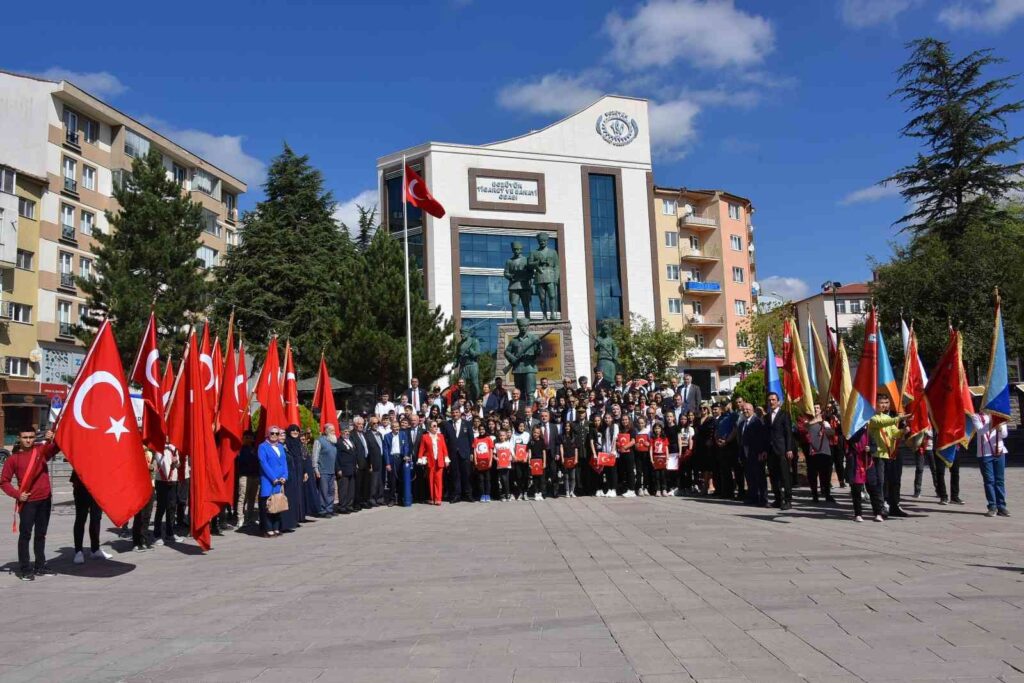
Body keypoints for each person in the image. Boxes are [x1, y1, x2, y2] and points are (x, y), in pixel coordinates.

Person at [0, 429, 58, 580]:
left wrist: (53, 437)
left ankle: (40, 565)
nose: (28, 440)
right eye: (25, 437)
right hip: (28, 503)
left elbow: (57, 446)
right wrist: (18, 494)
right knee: (25, 535)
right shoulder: (13, 459)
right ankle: (25, 569)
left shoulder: (41, 451)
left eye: (31, 437)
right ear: (19, 438)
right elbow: (4, 481)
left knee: (41, 534)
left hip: (45, 499)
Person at [867, 394, 908, 517]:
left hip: (888, 455)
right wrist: (899, 418)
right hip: (877, 455)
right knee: (880, 482)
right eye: (881, 402)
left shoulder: (887, 417)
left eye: (886, 402)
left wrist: (902, 431)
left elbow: (894, 434)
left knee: (891, 481)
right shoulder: (872, 418)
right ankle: (880, 506)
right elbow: (881, 423)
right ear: (875, 404)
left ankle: (890, 504)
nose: (884, 405)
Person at [70, 468, 112, 564]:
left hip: (97, 485)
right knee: (81, 518)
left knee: (96, 518)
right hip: (81, 485)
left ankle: (95, 549)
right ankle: (78, 551)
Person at [973, 411, 1009, 517]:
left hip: (999, 451)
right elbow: (980, 431)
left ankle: (1001, 506)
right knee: (989, 480)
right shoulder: (976, 416)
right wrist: (992, 423)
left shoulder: (1000, 415)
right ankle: (992, 506)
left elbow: (1005, 435)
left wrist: (1000, 428)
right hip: (985, 453)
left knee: (999, 480)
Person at [847, 426, 884, 522]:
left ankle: (878, 513)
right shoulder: (851, 432)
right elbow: (852, 439)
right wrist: (861, 429)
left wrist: (870, 449)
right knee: (856, 491)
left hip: (868, 464)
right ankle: (858, 514)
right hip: (856, 465)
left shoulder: (869, 433)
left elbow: (874, 447)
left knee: (873, 489)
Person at [257, 426, 289, 537]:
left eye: (277, 433)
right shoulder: (262, 447)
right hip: (268, 480)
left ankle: (276, 527)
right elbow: (263, 463)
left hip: (280, 481)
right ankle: (267, 528)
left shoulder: (280, 446)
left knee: (277, 504)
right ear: (268, 434)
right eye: (272, 433)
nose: (275, 435)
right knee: (268, 505)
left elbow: (284, 463)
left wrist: (285, 476)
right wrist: (273, 478)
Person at [766, 392, 795, 511]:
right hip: (770, 450)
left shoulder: (784, 414)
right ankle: (778, 499)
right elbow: (766, 435)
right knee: (773, 476)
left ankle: (788, 500)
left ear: (778, 402)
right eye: (769, 400)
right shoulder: (767, 417)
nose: (771, 402)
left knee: (785, 476)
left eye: (773, 400)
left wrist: (789, 449)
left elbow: (788, 433)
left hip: (782, 449)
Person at [739, 401, 768, 506]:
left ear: (753, 410)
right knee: (750, 477)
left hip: (756, 453)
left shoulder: (757, 422)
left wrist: (761, 452)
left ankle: (763, 499)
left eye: (748, 409)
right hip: (745, 455)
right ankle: (753, 497)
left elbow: (761, 438)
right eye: (744, 409)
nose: (745, 411)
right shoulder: (742, 423)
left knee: (759, 477)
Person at [442, 406, 473, 503]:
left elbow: (471, 440)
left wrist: (471, 453)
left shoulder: (467, 424)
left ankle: (468, 494)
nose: (455, 414)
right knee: (455, 475)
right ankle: (456, 495)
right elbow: (444, 440)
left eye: (456, 412)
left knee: (466, 474)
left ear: (460, 413)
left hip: (465, 453)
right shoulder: (447, 424)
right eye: (453, 413)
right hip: (453, 454)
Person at [806, 404, 836, 504]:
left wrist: (826, 428)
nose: (816, 410)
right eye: (814, 408)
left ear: (820, 410)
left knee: (826, 475)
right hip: (813, 452)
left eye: (818, 408)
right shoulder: (808, 422)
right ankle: (814, 495)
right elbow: (803, 430)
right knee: (812, 476)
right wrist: (814, 421)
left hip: (824, 451)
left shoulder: (825, 422)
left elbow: (832, 433)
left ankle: (827, 494)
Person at [153, 446, 181, 544]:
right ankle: (157, 534)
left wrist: (176, 462)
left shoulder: (174, 447)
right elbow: (159, 463)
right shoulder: (159, 446)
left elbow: (178, 465)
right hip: (161, 480)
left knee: (172, 507)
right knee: (161, 507)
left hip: (173, 480)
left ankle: (170, 533)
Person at [417, 420, 449, 505]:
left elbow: (444, 448)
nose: (436, 427)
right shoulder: (425, 437)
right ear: (429, 428)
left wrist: (446, 458)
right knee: (431, 480)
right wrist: (420, 458)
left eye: (436, 426)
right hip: (430, 461)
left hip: (439, 460)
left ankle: (438, 498)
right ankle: (432, 498)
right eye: (434, 426)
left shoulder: (441, 436)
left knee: (438, 480)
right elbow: (422, 449)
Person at [131, 449, 156, 552]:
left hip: (151, 485)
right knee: (139, 515)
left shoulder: (151, 452)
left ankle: (144, 540)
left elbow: (155, 468)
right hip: (140, 486)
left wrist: (153, 467)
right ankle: (136, 542)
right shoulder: (137, 449)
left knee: (147, 514)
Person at [382, 420, 412, 507]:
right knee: (392, 481)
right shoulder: (387, 436)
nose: (396, 428)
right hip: (392, 459)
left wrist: (406, 455)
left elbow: (406, 446)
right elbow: (385, 450)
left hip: (401, 459)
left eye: (397, 427)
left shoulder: (403, 434)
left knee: (401, 480)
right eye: (394, 427)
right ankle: (391, 499)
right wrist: (387, 463)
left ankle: (400, 499)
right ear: (391, 428)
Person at [280, 425, 304, 529]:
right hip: (286, 476)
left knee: (295, 497)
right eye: (279, 434)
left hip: (295, 473)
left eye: (282, 434)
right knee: (288, 498)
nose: (295, 432)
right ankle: (286, 523)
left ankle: (294, 519)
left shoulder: (295, 443)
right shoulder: (284, 445)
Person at [234, 431, 259, 527]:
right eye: (246, 437)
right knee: (242, 498)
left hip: (254, 476)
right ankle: (240, 518)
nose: (248, 439)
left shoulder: (255, 450)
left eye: (250, 437)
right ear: (243, 438)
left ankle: (250, 518)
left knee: (252, 499)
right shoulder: (239, 449)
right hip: (244, 476)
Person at [312, 424, 338, 517]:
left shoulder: (333, 441)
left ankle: (329, 509)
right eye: (331, 430)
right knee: (323, 491)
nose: (333, 432)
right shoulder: (319, 441)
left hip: (331, 471)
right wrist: (316, 469)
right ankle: (322, 510)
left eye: (334, 430)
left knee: (331, 491)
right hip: (322, 471)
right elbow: (315, 456)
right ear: (326, 431)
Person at [299, 430, 323, 519]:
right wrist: (304, 472)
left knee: (310, 491)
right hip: (303, 473)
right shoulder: (298, 447)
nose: (303, 438)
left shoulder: (305, 446)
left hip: (309, 472)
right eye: (301, 436)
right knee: (305, 492)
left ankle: (311, 510)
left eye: (304, 436)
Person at [538, 409, 561, 498]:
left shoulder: (554, 427)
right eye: (542, 416)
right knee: (543, 474)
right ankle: (543, 492)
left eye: (546, 416)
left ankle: (555, 491)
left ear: (549, 417)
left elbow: (557, 442)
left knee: (554, 473)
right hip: (541, 454)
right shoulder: (538, 426)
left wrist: (558, 453)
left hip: (552, 453)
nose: (544, 417)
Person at [334, 425, 358, 514]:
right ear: (341, 432)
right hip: (343, 469)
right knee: (343, 489)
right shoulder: (338, 442)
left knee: (351, 489)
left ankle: (349, 505)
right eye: (345, 431)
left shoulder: (350, 441)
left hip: (352, 468)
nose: (347, 433)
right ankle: (342, 506)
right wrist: (338, 469)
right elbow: (336, 457)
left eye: (348, 431)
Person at [365, 417, 386, 507]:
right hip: (373, 460)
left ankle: (380, 498)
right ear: (370, 424)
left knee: (381, 480)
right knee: (373, 481)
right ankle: (372, 498)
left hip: (381, 459)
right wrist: (369, 463)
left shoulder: (380, 434)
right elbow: (367, 450)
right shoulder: (367, 435)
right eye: (374, 423)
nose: (376, 424)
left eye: (377, 423)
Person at [472, 428, 494, 502]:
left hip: (487, 461)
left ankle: (487, 495)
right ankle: (482, 495)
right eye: (480, 429)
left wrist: (490, 461)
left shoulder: (488, 439)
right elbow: (474, 450)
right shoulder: (476, 439)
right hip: (479, 462)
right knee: (480, 480)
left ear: (485, 430)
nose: (481, 431)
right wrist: (475, 460)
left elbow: (491, 450)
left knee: (487, 479)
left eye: (483, 429)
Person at [494, 429, 515, 501]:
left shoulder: (509, 444)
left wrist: (511, 458)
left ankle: (507, 494)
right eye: (500, 435)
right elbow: (494, 454)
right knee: (502, 479)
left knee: (506, 479)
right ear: (498, 436)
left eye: (503, 435)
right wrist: (496, 458)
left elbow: (512, 453)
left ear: (506, 436)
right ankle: (504, 494)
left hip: (507, 464)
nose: (502, 437)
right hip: (500, 464)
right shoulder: (496, 444)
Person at [650, 422, 669, 496]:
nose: (657, 430)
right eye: (656, 428)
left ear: (661, 429)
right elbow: (651, 449)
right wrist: (651, 459)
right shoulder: (652, 438)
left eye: (658, 428)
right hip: (655, 457)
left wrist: (667, 459)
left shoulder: (664, 438)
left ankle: (664, 489)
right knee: (656, 475)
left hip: (663, 457)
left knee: (663, 475)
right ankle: (657, 489)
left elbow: (667, 448)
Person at [528, 425, 546, 500]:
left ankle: (541, 493)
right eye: (535, 432)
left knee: (542, 479)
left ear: (540, 433)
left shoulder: (542, 441)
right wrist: (529, 461)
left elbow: (544, 452)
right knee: (535, 479)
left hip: (540, 461)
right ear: (532, 432)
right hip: (533, 461)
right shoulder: (531, 442)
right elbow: (529, 452)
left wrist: (544, 462)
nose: (536, 434)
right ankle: (536, 493)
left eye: (538, 433)